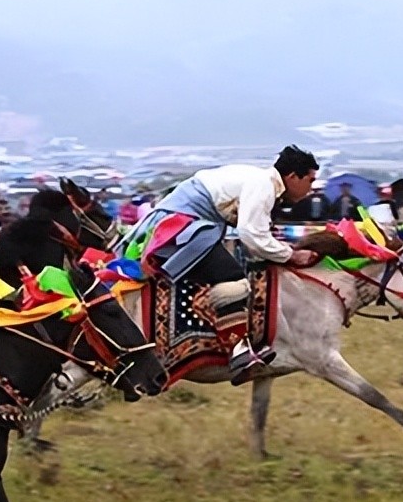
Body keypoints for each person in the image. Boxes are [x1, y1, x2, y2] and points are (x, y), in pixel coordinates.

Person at [125, 145, 320, 385]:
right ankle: (237, 349)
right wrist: (291, 255)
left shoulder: (263, 182)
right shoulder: (264, 185)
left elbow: (255, 235)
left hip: (189, 222)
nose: (311, 189)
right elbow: (252, 236)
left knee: (231, 267)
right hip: (183, 223)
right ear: (292, 177)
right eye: (310, 181)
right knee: (233, 277)